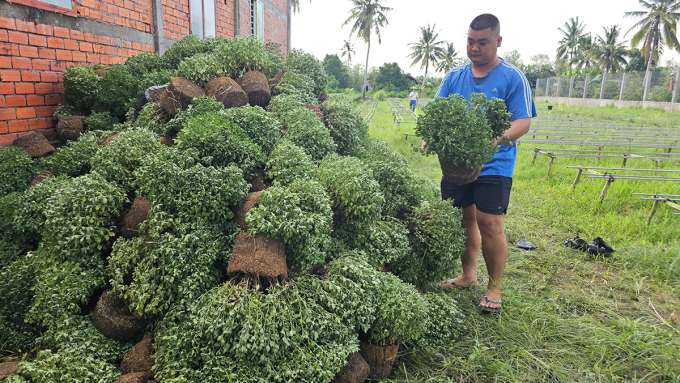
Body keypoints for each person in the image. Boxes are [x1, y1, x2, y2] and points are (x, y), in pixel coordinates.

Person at [427, 13, 537, 313]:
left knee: (490, 222)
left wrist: (494, 140)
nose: (474, 48)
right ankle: (468, 275)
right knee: (464, 220)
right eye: (470, 41)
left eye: (482, 42)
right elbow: (435, 112)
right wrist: (431, 136)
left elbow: (523, 122)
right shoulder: (454, 77)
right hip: (456, 164)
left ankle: (495, 288)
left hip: (495, 163)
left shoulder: (513, 77)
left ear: (498, 41)